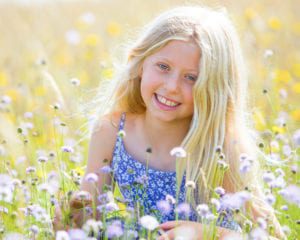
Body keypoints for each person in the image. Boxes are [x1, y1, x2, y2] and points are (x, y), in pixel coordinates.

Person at [54, 5, 285, 239]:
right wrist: (71, 220)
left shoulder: (220, 148)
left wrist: (206, 233)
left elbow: (272, 236)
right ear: (140, 62)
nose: (172, 86)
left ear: (214, 88)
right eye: (163, 67)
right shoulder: (112, 131)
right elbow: (89, 218)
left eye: (191, 78)